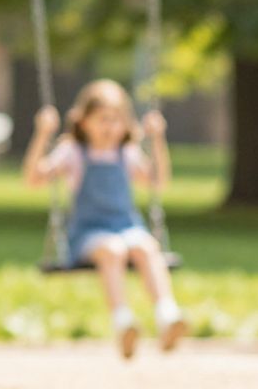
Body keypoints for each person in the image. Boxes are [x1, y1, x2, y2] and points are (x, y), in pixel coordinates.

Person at [21, 79, 184, 358]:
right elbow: (33, 179)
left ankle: (167, 315)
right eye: (102, 120)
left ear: (126, 124)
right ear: (83, 122)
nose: (110, 127)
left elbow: (157, 180)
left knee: (147, 246)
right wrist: (41, 134)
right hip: (88, 233)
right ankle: (124, 322)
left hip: (127, 226)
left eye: (117, 120)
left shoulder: (127, 153)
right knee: (113, 249)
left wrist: (157, 139)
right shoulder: (73, 152)